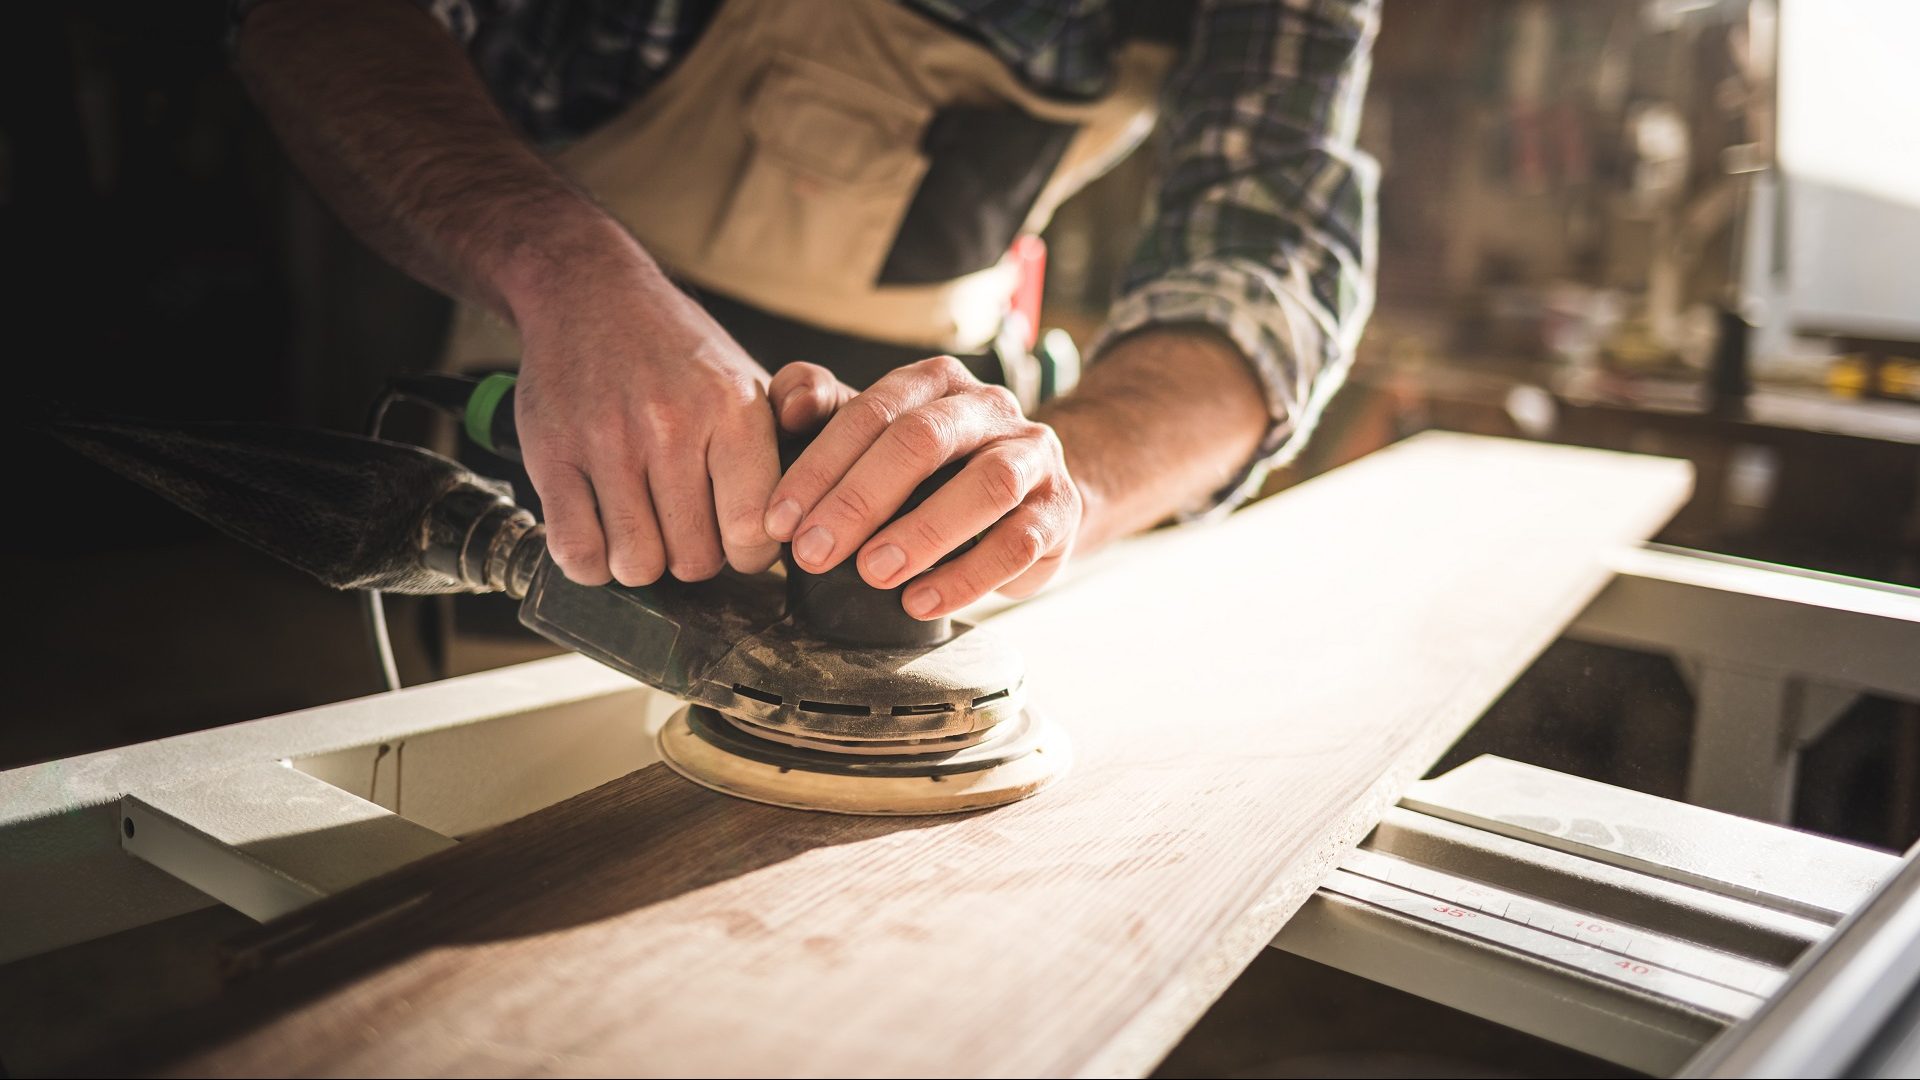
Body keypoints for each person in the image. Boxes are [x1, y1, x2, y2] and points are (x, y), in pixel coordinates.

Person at [234, 0, 1378, 621]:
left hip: (936, 423)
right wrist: (566, 269)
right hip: (566, 381)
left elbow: (1270, 249)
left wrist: (1066, 492)